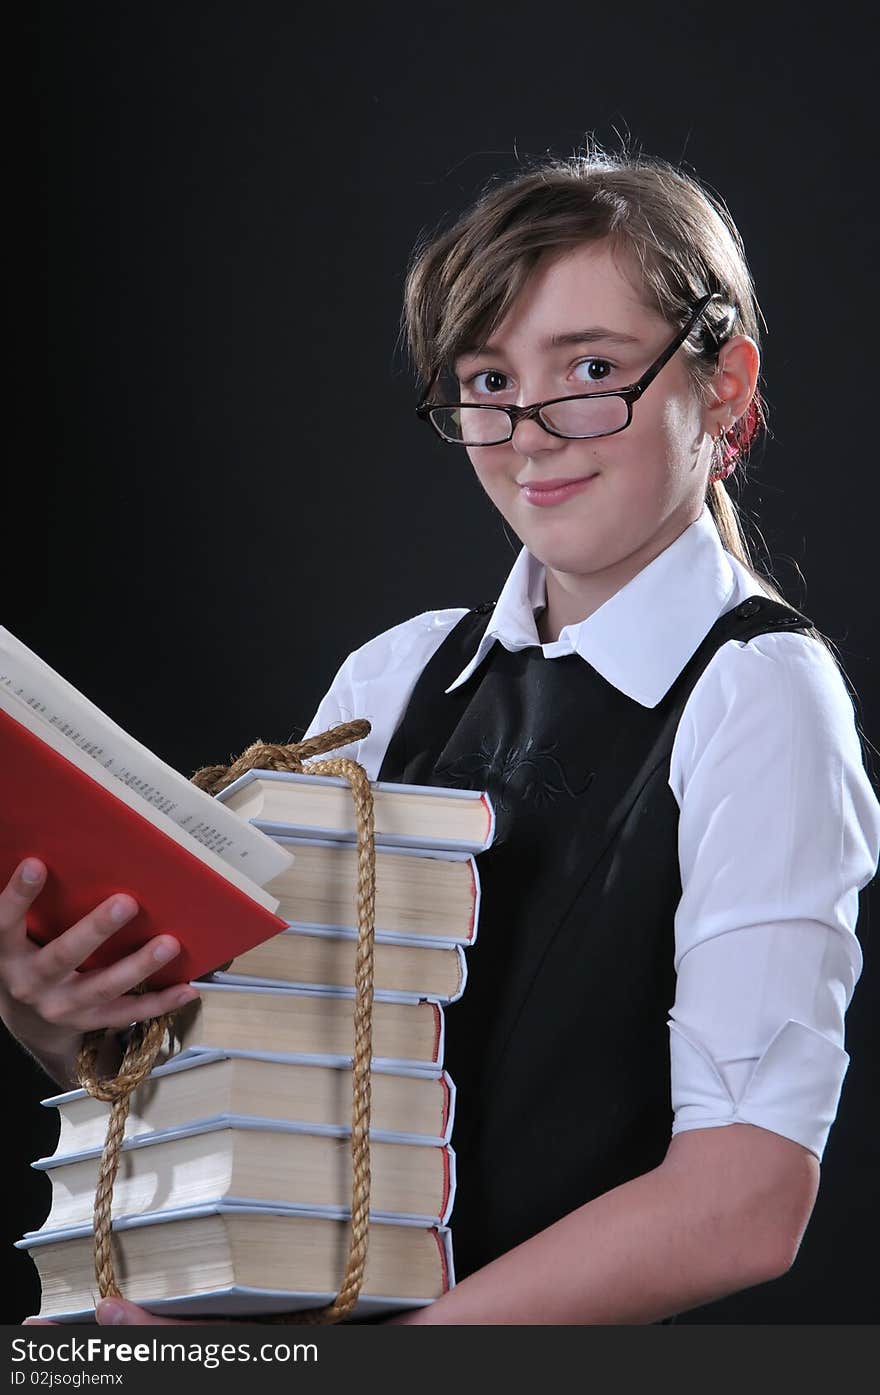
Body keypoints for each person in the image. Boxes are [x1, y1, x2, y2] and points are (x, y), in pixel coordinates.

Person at [5, 145, 880, 1326]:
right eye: (483, 380)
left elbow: (743, 1200)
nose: (527, 433)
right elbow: (264, 1107)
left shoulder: (761, 693)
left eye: (590, 367)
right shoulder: (396, 674)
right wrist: (67, 1031)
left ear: (722, 386)